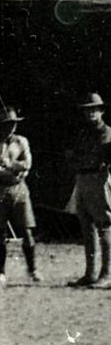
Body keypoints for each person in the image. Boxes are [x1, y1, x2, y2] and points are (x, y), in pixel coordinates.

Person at [0, 107, 37, 285]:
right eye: (6, 124)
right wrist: (15, 170)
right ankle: (1, 272)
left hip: (19, 189)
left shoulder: (22, 142)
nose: (11, 128)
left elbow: (27, 163)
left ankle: (32, 269)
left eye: (13, 124)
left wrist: (10, 164)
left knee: (27, 230)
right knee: (0, 230)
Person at [63, 93, 111, 288]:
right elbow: (71, 156)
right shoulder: (84, 132)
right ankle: (90, 273)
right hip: (82, 178)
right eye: (87, 109)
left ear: (101, 111)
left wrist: (79, 158)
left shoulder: (106, 132)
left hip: (97, 179)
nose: (90, 113)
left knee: (104, 224)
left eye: (94, 109)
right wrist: (77, 159)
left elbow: (96, 157)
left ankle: (107, 274)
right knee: (86, 226)